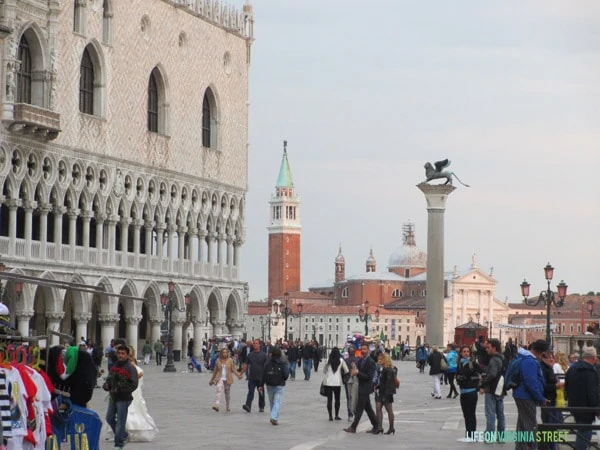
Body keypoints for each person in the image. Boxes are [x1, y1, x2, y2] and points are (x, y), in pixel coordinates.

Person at [512, 340, 548, 450]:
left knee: (523, 424)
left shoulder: (525, 357)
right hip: (526, 395)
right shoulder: (530, 361)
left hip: (522, 394)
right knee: (531, 425)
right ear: (542, 352)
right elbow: (531, 382)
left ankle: (520, 447)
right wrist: (540, 398)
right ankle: (532, 447)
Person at [103, 345, 139, 450]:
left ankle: (118, 444)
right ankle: (123, 435)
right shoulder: (115, 365)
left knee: (120, 421)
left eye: (123, 354)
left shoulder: (130, 367)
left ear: (127, 355)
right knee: (109, 418)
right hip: (114, 396)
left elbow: (133, 384)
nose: (120, 356)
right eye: (119, 353)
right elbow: (110, 380)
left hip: (124, 398)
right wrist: (107, 386)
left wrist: (120, 390)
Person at [565, 346, 600, 450]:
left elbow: (567, 386)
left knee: (582, 432)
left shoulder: (572, 368)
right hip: (586, 408)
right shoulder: (590, 371)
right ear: (593, 358)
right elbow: (592, 393)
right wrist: (597, 409)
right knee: (585, 434)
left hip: (574, 406)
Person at [343, 343, 379, 434]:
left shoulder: (370, 362)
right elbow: (358, 371)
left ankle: (353, 427)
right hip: (360, 386)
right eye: (362, 349)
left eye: (364, 349)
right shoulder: (361, 360)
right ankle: (377, 426)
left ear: (368, 350)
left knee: (359, 409)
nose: (363, 351)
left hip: (365, 387)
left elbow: (369, 377)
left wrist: (357, 373)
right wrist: (355, 368)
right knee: (368, 408)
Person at [479, 339, 505, 441]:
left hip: (492, 389)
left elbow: (492, 375)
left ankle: (489, 435)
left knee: (490, 413)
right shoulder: (502, 358)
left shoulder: (494, 360)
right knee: (500, 413)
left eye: (488, 347)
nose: (486, 349)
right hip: (500, 388)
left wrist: (483, 382)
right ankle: (501, 436)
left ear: (494, 348)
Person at [456, 345, 482, 442]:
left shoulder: (473, 363)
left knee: (471, 414)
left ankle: (472, 435)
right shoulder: (460, 364)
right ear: (461, 353)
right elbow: (458, 375)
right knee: (466, 414)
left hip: (471, 392)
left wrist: (477, 384)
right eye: (464, 351)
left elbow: (482, 373)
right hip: (463, 392)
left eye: (468, 351)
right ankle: (468, 435)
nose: (466, 353)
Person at [259, 347, 289, 425]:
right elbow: (286, 374)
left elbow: (263, 374)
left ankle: (274, 417)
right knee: (277, 401)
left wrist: (261, 384)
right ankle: (274, 417)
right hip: (279, 384)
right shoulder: (283, 362)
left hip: (269, 384)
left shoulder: (268, 363)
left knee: (272, 402)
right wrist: (283, 379)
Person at [539, 350, 561, 450]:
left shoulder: (549, 368)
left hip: (553, 399)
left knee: (554, 424)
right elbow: (544, 386)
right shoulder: (543, 369)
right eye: (549, 357)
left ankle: (552, 445)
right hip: (547, 399)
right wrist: (556, 385)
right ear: (543, 358)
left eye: (552, 357)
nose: (551, 359)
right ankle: (550, 446)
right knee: (549, 425)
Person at [209, 348, 241, 412]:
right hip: (219, 378)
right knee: (218, 389)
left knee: (227, 393)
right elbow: (215, 371)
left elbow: (233, 369)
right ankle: (217, 405)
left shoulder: (230, 360)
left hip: (227, 378)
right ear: (221, 353)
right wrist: (212, 380)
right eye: (223, 352)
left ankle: (227, 406)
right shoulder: (218, 361)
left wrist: (238, 375)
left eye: (226, 352)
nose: (225, 354)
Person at [240, 339, 267, 413]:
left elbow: (267, 366)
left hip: (261, 378)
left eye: (256, 343)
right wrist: (241, 373)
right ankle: (248, 405)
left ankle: (261, 406)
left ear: (259, 345)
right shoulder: (250, 355)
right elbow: (246, 365)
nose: (255, 345)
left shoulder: (264, 355)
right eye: (254, 343)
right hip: (252, 377)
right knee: (250, 392)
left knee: (261, 393)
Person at [322, 347, 348, 421]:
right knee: (337, 400)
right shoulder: (341, 360)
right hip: (337, 383)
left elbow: (324, 370)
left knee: (329, 400)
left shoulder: (328, 360)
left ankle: (330, 416)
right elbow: (346, 370)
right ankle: (336, 415)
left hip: (328, 382)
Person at [374, 352, 396, 435]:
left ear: (385, 360)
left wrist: (386, 394)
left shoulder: (389, 370)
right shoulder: (382, 369)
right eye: (378, 359)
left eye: (380, 359)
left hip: (387, 393)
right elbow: (382, 382)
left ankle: (391, 427)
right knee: (378, 408)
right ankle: (379, 427)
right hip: (381, 391)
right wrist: (378, 386)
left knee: (389, 410)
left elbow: (388, 384)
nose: (378, 361)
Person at [344, 346, 359, 422]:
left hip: (348, 380)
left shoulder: (346, 360)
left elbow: (344, 371)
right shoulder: (358, 360)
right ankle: (356, 413)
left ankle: (350, 414)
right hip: (356, 381)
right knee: (355, 397)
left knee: (349, 398)